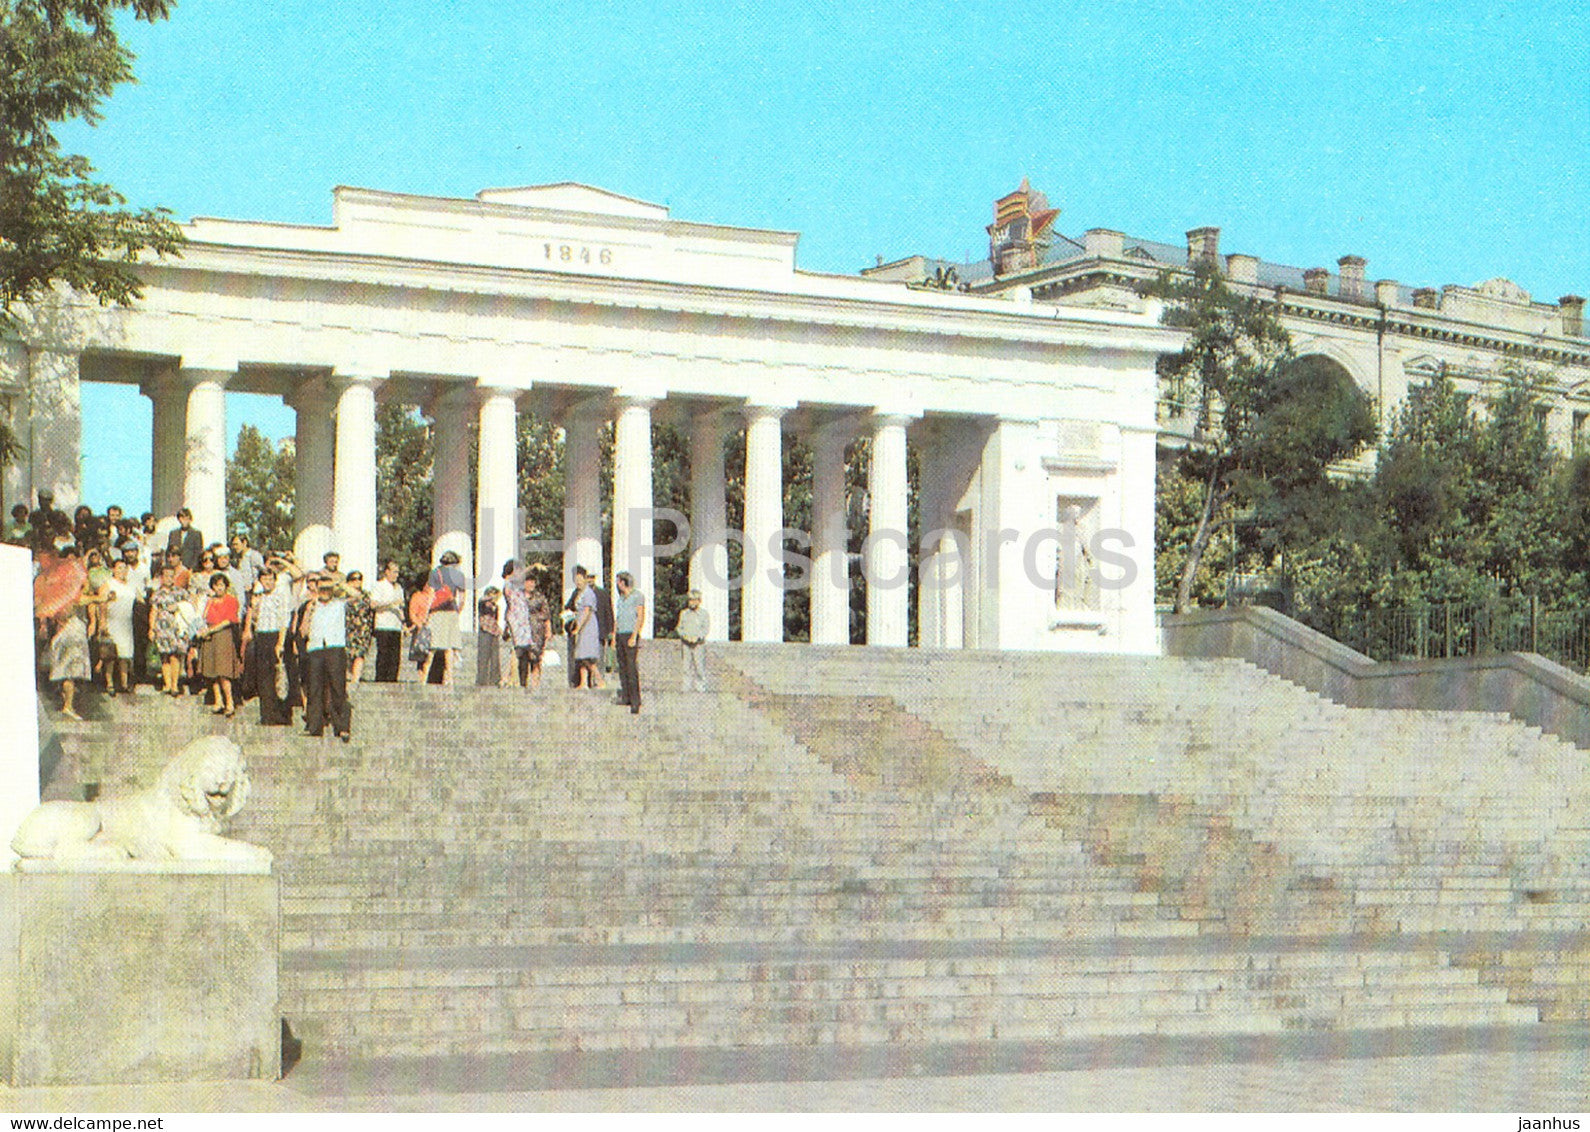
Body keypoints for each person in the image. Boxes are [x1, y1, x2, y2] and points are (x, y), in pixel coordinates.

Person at [243, 566, 294, 725]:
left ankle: (282, 715)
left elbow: (284, 620)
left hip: (275, 635)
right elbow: (255, 620)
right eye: (264, 579)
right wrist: (254, 606)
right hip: (261, 636)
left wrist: (280, 643)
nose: (268, 582)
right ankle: (267, 715)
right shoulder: (259, 597)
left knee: (278, 675)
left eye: (270, 579)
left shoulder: (280, 596)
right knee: (263, 676)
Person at [303, 575, 351, 741]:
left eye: (327, 589)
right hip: (315, 647)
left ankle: (342, 726)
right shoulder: (311, 605)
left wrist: (337, 584)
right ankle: (315, 726)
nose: (324, 592)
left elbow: (357, 595)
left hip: (335, 647)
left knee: (338, 687)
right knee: (314, 688)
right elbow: (303, 631)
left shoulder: (339, 604)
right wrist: (308, 612)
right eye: (322, 589)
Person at [196, 572, 242, 716]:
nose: (219, 588)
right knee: (212, 671)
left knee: (223, 672)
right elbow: (204, 617)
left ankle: (230, 702)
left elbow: (229, 620)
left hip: (223, 636)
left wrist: (211, 630)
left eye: (222, 585)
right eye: (216, 585)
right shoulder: (209, 601)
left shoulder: (231, 600)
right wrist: (203, 630)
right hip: (210, 637)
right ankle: (218, 701)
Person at [505, 565, 552, 689]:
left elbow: (547, 615)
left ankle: (535, 685)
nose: (531, 584)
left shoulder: (540, 597)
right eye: (529, 581)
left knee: (535, 658)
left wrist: (548, 631)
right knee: (522, 657)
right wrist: (532, 567)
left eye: (533, 582)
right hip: (522, 632)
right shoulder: (517, 595)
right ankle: (521, 683)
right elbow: (510, 581)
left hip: (537, 632)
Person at [426, 550, 466, 685]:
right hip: (451, 611)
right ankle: (449, 677)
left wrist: (427, 613)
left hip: (437, 612)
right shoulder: (459, 575)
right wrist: (457, 611)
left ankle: (425, 675)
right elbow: (462, 599)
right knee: (449, 646)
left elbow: (431, 595)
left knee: (434, 646)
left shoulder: (435, 573)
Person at [150, 561, 189, 696]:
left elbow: (189, 607)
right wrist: (151, 629)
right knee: (164, 656)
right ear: (161, 577)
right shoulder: (157, 594)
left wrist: (178, 606)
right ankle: (167, 684)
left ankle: (174, 685)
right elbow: (153, 611)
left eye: (171, 576)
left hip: (176, 629)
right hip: (161, 628)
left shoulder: (180, 592)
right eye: (166, 576)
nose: (169, 579)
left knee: (175, 655)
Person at [101, 558, 137, 695]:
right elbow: (102, 604)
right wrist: (103, 622)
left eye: (124, 568)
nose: (122, 571)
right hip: (112, 621)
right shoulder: (109, 584)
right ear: (113, 570)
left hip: (126, 623)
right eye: (119, 568)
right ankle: (109, 683)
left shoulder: (131, 585)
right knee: (110, 655)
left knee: (125, 655)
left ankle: (124, 683)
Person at [611, 571, 646, 714]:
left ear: (623, 582)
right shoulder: (620, 599)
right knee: (622, 667)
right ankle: (625, 696)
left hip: (630, 634)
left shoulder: (637, 596)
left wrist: (634, 635)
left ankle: (635, 700)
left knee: (631, 668)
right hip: (620, 634)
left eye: (618, 581)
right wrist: (614, 636)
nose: (617, 584)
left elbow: (640, 617)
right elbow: (617, 618)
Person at [368, 559, 405, 683]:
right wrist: (391, 603)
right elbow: (374, 604)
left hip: (396, 625)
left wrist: (403, 623)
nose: (396, 575)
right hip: (383, 625)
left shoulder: (399, 588)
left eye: (397, 572)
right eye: (394, 572)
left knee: (395, 657)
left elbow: (400, 607)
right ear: (387, 572)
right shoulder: (379, 585)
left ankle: (392, 681)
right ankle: (380, 680)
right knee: (383, 655)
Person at [571, 566, 604, 690]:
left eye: (580, 579)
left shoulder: (588, 593)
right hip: (581, 625)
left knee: (588, 656)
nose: (578, 582)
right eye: (576, 580)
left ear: (585, 579)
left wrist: (578, 628)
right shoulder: (579, 593)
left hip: (588, 627)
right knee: (582, 656)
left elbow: (587, 611)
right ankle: (583, 682)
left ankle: (600, 680)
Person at [344, 569, 375, 683]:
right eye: (354, 579)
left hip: (362, 628)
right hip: (348, 627)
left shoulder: (365, 595)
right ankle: (349, 674)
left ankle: (355, 678)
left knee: (360, 653)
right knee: (348, 653)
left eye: (359, 579)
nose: (357, 581)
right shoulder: (343, 595)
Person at [676, 588, 710, 692]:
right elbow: (679, 627)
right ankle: (686, 686)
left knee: (699, 665)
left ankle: (701, 686)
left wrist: (698, 637)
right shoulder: (684, 613)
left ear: (699, 601)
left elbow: (705, 628)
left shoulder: (704, 614)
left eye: (695, 600)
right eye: (690, 600)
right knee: (686, 666)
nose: (692, 602)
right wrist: (684, 636)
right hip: (686, 643)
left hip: (698, 644)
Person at [476, 585, 503, 687]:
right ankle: (481, 680)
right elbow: (483, 601)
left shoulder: (496, 607)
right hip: (485, 630)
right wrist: (491, 596)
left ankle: (495, 679)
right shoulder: (483, 603)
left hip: (494, 631)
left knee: (495, 657)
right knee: (483, 656)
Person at [166, 507, 204, 571]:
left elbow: (198, 553)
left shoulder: (196, 534)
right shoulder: (173, 533)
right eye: (181, 518)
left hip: (190, 568)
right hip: (175, 568)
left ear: (190, 519)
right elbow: (169, 551)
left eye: (186, 518)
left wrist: (192, 568)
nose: (184, 520)